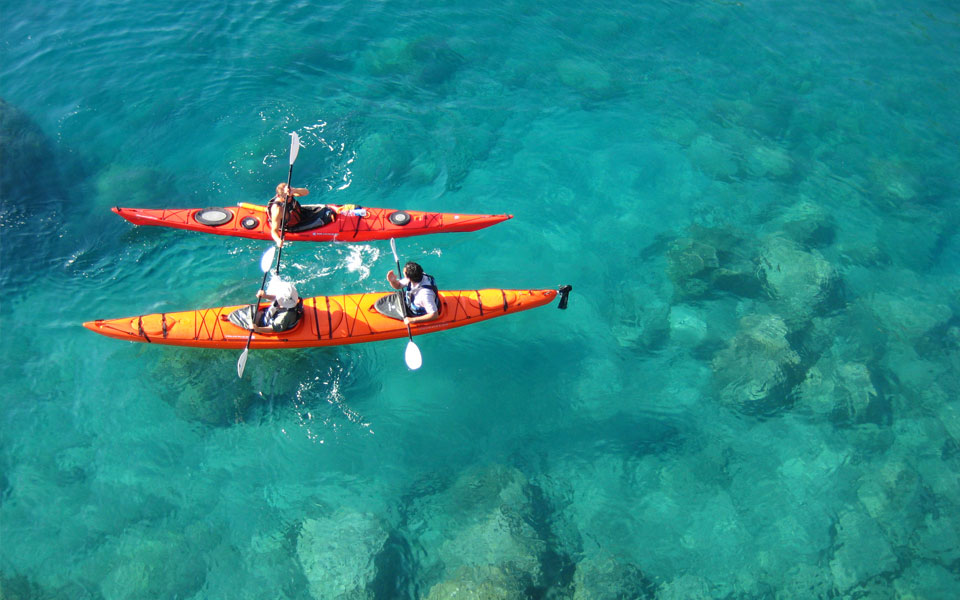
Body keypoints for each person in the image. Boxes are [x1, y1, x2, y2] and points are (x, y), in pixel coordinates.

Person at [267, 182, 309, 247]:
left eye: (290, 196)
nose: (290, 198)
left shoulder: (290, 194)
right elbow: (274, 231)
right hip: (291, 225)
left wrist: (294, 190)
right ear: (279, 196)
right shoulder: (277, 210)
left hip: (300, 215)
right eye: (287, 197)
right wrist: (278, 240)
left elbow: (306, 192)